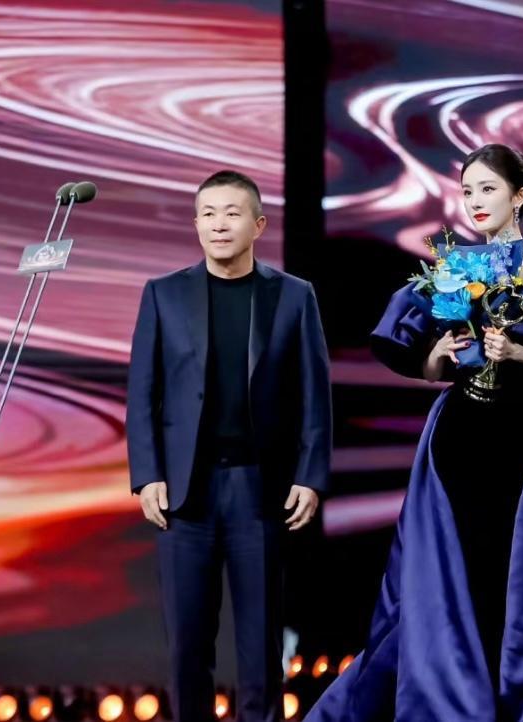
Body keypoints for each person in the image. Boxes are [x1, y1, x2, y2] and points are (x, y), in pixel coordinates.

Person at [307, 144, 523, 721]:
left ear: (519, 196)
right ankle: (453, 699)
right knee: (453, 568)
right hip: (460, 433)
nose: (475, 201)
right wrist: (439, 353)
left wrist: (518, 351)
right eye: (468, 190)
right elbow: (429, 368)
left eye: (487, 189)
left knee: (522, 573)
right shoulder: (453, 267)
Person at [125, 170, 332, 722]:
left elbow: (315, 394)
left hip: (258, 489)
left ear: (258, 225)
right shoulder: (163, 294)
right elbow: (142, 392)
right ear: (196, 224)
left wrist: (310, 476)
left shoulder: (293, 296)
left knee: (260, 647)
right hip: (184, 493)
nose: (220, 224)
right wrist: (147, 474)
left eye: (232, 213)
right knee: (187, 645)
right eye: (209, 214)